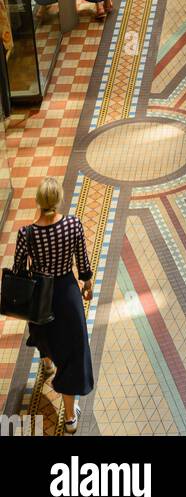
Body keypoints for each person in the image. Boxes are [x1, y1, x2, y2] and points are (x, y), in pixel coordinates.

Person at [12, 178, 94, 434]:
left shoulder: (27, 234)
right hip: (67, 294)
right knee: (72, 351)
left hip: (40, 295)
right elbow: (82, 259)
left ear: (38, 201)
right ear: (58, 200)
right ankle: (69, 417)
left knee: (42, 332)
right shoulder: (72, 224)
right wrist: (87, 282)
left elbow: (18, 271)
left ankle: (46, 364)